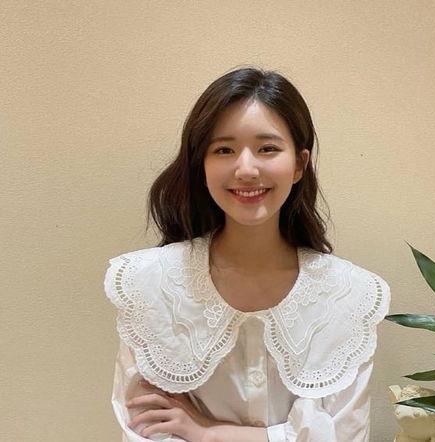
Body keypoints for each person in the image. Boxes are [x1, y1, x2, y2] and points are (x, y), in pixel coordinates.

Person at [103, 66, 391, 442]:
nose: (246, 169)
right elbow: (146, 430)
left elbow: (344, 435)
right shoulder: (150, 285)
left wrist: (207, 433)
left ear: (299, 164)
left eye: (267, 148)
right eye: (224, 149)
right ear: (202, 165)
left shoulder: (349, 296)